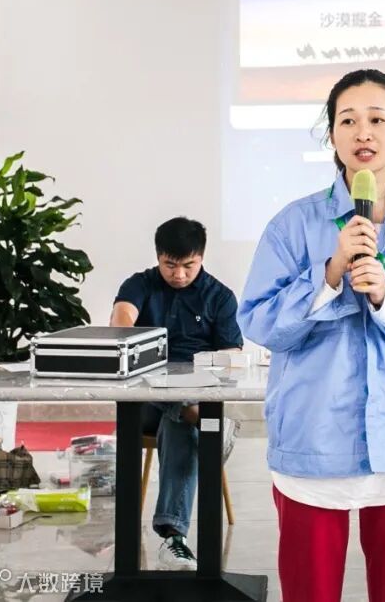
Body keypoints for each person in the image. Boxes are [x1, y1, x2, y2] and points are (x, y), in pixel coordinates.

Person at [237, 69, 385, 602]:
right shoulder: (292, 225)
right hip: (314, 441)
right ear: (332, 136)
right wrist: (329, 273)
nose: (363, 133)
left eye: (377, 120)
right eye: (347, 121)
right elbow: (258, 322)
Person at [110, 216, 243, 570]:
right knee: (186, 414)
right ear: (158, 257)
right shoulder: (140, 284)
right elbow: (121, 319)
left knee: (181, 423)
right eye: (170, 265)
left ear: (202, 258)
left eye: (189, 266)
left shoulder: (219, 297)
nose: (179, 275)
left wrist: (197, 381)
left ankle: (173, 539)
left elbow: (231, 357)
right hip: (143, 402)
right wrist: (125, 332)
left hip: (195, 395)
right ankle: (204, 421)